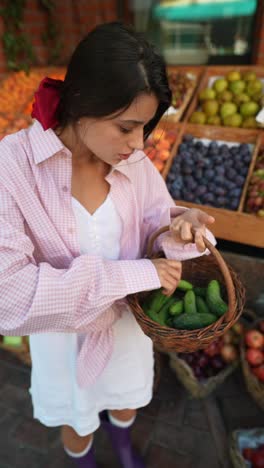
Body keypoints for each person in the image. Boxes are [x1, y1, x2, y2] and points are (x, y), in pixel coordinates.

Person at [0, 22, 215, 468]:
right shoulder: (13, 166)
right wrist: (137, 274)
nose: (138, 145)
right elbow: (9, 295)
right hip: (63, 337)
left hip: (126, 330)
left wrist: (178, 228)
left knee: (125, 400)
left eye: (146, 128)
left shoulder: (134, 165)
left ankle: (121, 446)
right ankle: (85, 461)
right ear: (81, 104)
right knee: (77, 420)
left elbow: (155, 224)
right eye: (126, 127)